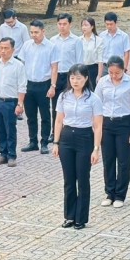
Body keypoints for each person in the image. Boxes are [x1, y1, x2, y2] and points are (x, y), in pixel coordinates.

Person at [51, 64, 103, 230]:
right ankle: (69, 216)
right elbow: (58, 121)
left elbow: (98, 126)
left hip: (84, 137)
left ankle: (81, 218)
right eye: (72, 78)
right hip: (66, 138)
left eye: (78, 78)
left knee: (83, 179)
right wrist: (56, 143)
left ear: (86, 78)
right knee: (69, 180)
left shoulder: (93, 99)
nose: (75, 81)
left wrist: (96, 149)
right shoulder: (63, 96)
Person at [96, 56, 130, 208]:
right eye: (111, 73)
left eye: (117, 73)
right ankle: (110, 193)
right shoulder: (103, 82)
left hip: (124, 123)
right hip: (107, 123)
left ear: (123, 70)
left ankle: (120, 195)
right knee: (108, 160)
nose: (114, 76)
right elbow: (97, 104)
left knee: (123, 161)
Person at [21, 20, 59, 154]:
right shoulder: (27, 45)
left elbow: (54, 68)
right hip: (28, 84)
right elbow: (22, 65)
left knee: (45, 115)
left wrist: (53, 86)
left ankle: (44, 142)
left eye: (36, 32)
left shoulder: (51, 47)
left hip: (44, 84)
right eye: (31, 32)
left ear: (43, 31)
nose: (33, 35)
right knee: (30, 115)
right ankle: (33, 142)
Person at [0, 37, 26, 166]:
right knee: (0, 129)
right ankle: (3, 153)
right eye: (1, 48)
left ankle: (11, 155)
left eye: (6, 48)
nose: (3, 51)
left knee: (10, 129)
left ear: (13, 49)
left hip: (10, 102)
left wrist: (20, 104)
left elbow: (22, 86)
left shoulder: (18, 66)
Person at [50, 13, 82, 138]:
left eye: (64, 24)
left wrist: (77, 78)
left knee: (70, 103)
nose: (62, 26)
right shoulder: (53, 40)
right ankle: (55, 132)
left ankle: (68, 130)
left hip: (70, 76)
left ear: (70, 24)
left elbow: (79, 61)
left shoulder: (76, 41)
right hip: (56, 75)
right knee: (55, 105)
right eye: (60, 24)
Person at [80, 17, 105, 90]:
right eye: (82, 25)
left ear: (92, 26)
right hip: (81, 69)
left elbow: (100, 59)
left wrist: (99, 75)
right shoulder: (78, 40)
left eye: (86, 25)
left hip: (93, 69)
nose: (84, 27)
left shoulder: (99, 40)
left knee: (93, 90)